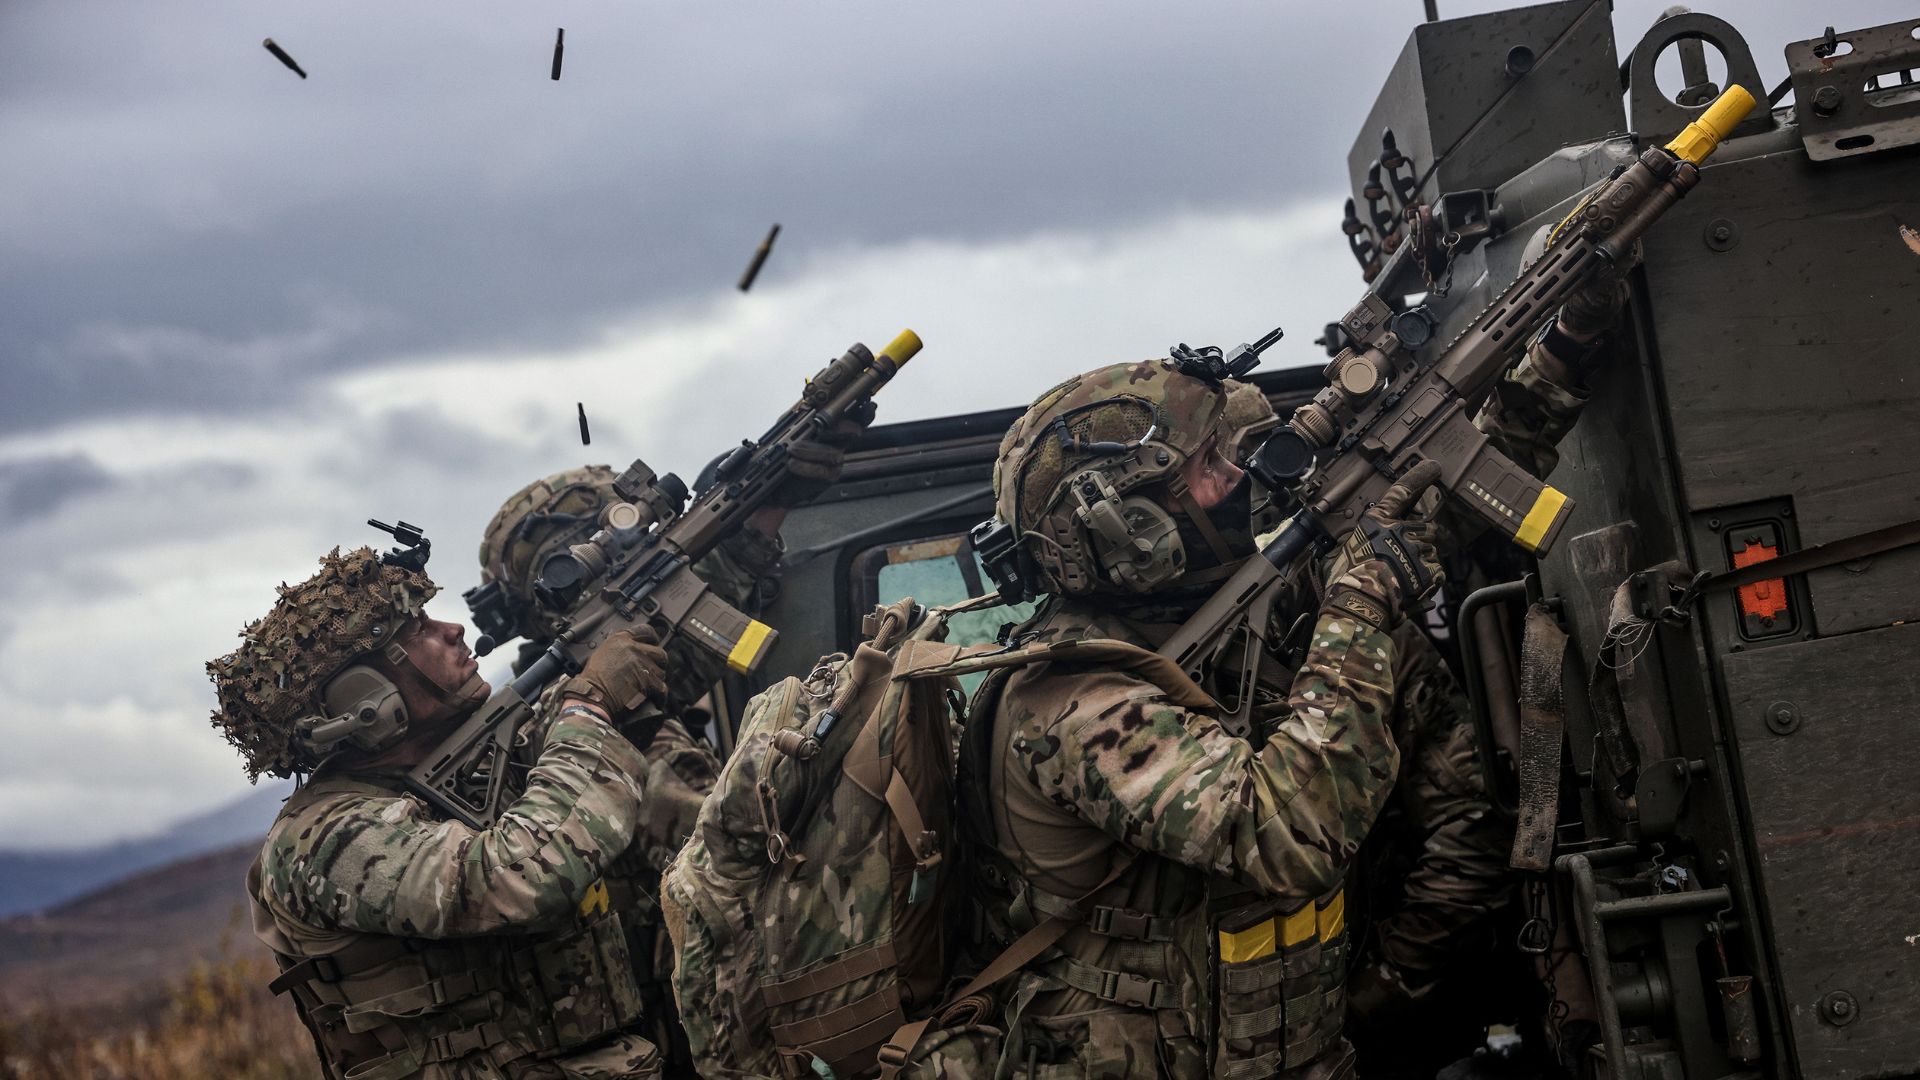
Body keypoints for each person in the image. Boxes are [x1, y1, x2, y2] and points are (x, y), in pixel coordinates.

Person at [960, 356, 1446, 1079]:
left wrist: (1565, 349)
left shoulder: (1195, 620)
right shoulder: (1071, 701)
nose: (1239, 477)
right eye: (1210, 464)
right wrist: (1360, 605)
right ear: (1132, 529)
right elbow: (1289, 835)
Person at [210, 545, 675, 1079]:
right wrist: (589, 707)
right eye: (418, 630)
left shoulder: (474, 754)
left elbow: (640, 692)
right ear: (367, 697)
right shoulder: (323, 841)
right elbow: (520, 876)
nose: (453, 629)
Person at [473, 463, 799, 1075]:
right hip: (688, 1031)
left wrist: (757, 524)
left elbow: (687, 655)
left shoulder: (551, 711)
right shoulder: (602, 723)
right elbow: (745, 851)